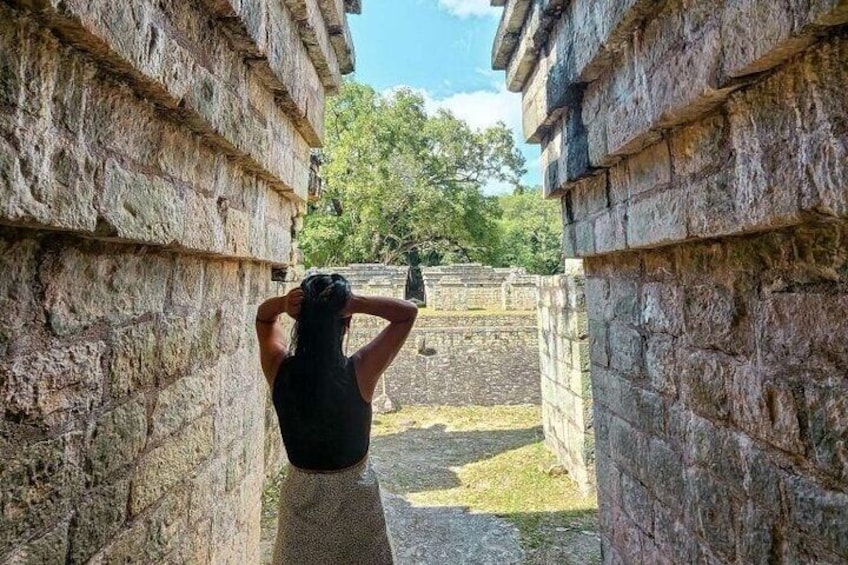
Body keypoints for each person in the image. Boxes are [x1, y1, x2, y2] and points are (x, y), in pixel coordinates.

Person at [255, 273, 418, 564]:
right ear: (347, 322)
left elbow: (264, 320)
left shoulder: (278, 368)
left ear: (299, 322)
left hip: (300, 498)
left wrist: (281, 303)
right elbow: (407, 313)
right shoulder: (361, 371)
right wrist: (356, 302)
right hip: (356, 499)